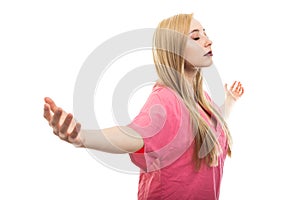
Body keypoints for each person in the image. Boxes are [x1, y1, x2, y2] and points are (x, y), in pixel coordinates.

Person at [43, 13, 244, 200]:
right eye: (196, 38)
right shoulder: (166, 100)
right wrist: (83, 137)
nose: (208, 41)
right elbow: (132, 136)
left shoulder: (201, 97)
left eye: (205, 34)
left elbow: (210, 128)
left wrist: (229, 102)